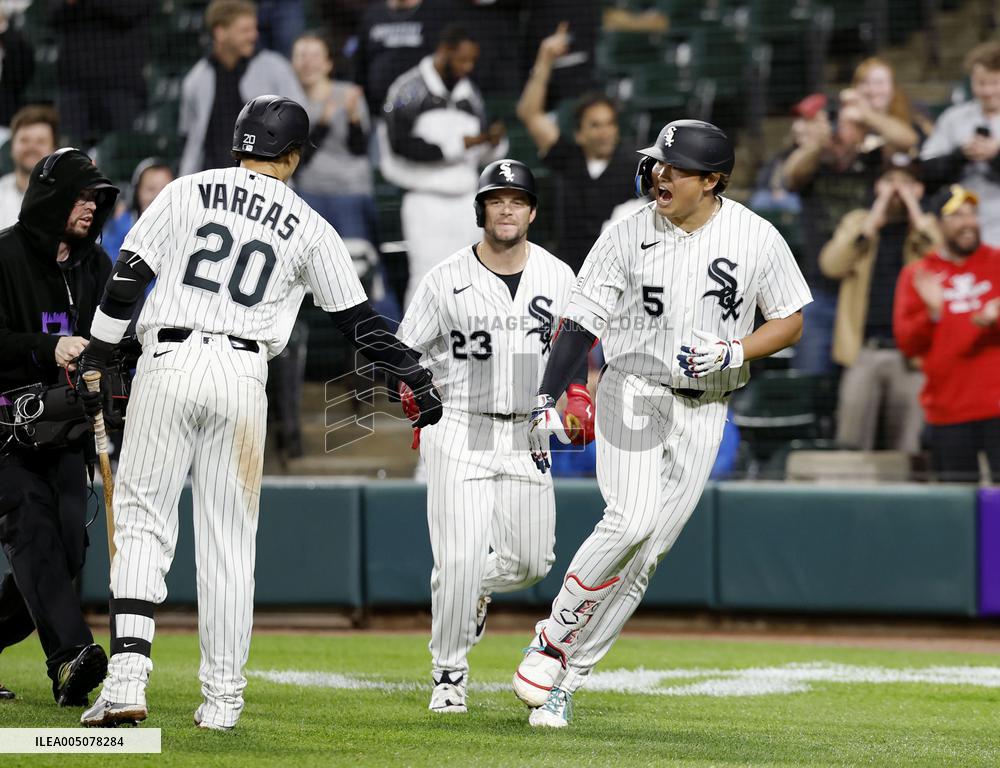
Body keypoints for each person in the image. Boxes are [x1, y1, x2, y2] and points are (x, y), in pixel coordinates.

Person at [78, 95, 443, 730]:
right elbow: (361, 326)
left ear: (239, 142)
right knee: (228, 543)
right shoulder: (310, 224)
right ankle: (222, 702)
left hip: (168, 362)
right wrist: (412, 370)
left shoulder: (186, 190)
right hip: (243, 375)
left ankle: (127, 681)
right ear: (294, 155)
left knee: (142, 528)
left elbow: (127, 281)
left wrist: (99, 356)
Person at [512, 120, 812, 727]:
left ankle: (568, 679)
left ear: (712, 180)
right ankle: (553, 637)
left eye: (675, 168)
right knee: (630, 519)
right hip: (634, 387)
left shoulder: (756, 235)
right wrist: (548, 393)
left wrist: (736, 350)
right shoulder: (627, 232)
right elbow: (581, 321)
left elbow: (790, 320)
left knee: (645, 557)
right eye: (657, 162)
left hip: (707, 407)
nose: (659, 174)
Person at [395, 159, 593, 714]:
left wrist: (577, 392)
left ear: (532, 212)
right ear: (480, 210)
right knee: (457, 559)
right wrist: (410, 386)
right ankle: (449, 673)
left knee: (532, 562)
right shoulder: (444, 278)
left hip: (528, 428)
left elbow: (574, 348)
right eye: (496, 200)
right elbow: (404, 352)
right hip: (459, 424)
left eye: (517, 201)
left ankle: (473, 588)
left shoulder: (559, 275)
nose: (506, 209)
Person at [0, 148, 120, 706]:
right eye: (80, 196)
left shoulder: (97, 266)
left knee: (68, 552)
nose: (91, 206)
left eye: (96, 198)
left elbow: (113, 341)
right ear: (51, 198)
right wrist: (48, 347)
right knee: (33, 531)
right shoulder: (3, 255)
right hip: (5, 429)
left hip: (69, 433)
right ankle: (70, 655)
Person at [783, 58, 925, 374]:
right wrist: (816, 143)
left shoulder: (874, 159)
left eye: (849, 125)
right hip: (819, 289)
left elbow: (908, 140)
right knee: (812, 377)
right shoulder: (814, 161)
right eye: (837, 123)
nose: (841, 131)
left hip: (863, 288)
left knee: (858, 382)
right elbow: (791, 175)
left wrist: (866, 114)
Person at [380, 24, 507, 307]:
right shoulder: (408, 89)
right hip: (425, 200)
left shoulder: (470, 93)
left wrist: (492, 142)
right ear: (444, 51)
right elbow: (399, 145)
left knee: (473, 279)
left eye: (472, 61)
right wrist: (459, 145)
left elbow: (481, 149)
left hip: (467, 200)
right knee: (427, 281)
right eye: (462, 60)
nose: (467, 67)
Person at [819, 156, 938, 454]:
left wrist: (915, 213)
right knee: (851, 444)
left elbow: (943, 261)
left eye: (906, 182)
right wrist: (870, 224)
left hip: (912, 356)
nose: (896, 189)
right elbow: (831, 265)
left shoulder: (926, 227)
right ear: (876, 187)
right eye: (889, 181)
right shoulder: (858, 222)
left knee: (909, 448)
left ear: (919, 189)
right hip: (864, 350)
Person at [894, 184, 1000, 481]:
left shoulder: (997, 263)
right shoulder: (918, 274)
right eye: (956, 215)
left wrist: (994, 320)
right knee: (956, 502)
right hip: (948, 409)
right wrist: (933, 313)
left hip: (997, 406)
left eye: (971, 213)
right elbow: (907, 343)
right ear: (938, 223)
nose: (968, 222)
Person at [516, 23, 635, 274]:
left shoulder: (633, 166)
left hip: (619, 273)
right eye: (595, 125)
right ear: (579, 134)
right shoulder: (567, 157)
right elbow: (529, 113)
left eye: (610, 124)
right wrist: (545, 59)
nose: (605, 132)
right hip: (569, 272)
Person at [179, 0, 305, 176]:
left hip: (264, 182)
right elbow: (188, 136)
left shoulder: (276, 68)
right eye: (245, 30)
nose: (254, 36)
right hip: (212, 182)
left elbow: (299, 122)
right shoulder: (195, 80)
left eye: (254, 29)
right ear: (220, 33)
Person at [292, 32, 375, 241]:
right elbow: (298, 158)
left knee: (356, 254)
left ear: (328, 63)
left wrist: (353, 118)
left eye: (314, 55)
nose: (307, 62)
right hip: (308, 193)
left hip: (350, 191)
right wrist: (323, 123)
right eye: (301, 55)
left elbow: (359, 149)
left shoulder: (348, 93)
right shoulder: (289, 101)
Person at [921, 41, 1000, 246]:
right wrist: (961, 156)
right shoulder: (954, 118)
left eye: (994, 82)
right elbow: (927, 171)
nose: (987, 91)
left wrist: (995, 155)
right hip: (962, 230)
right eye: (981, 83)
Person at [48, 0, 154, 145]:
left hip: (121, 85)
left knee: (120, 149)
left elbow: (128, 11)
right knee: (68, 151)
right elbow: (53, 15)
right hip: (73, 84)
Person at [102, 158, 175, 262]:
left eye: (165, 190)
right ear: (136, 193)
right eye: (151, 189)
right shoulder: (120, 227)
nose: (158, 196)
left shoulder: (184, 229)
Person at [0, 105, 58, 228]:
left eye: (40, 141)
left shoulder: (69, 197)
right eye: (24, 140)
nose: (31, 147)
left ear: (54, 151)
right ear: (11, 147)